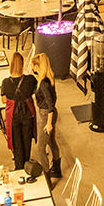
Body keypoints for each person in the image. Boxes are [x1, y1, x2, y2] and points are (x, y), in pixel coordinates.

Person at [1, 51, 37, 171]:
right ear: (22, 65)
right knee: (27, 141)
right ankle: (27, 166)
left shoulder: (5, 82)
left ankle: (18, 167)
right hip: (27, 113)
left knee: (16, 143)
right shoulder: (30, 80)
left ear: (11, 65)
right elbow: (34, 91)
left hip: (13, 116)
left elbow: (4, 100)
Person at [32, 51, 62, 181]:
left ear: (39, 67)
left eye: (34, 66)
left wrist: (48, 123)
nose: (32, 68)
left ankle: (47, 177)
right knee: (51, 141)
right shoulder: (49, 78)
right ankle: (57, 168)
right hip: (51, 113)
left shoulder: (43, 84)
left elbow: (49, 104)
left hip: (46, 115)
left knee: (40, 148)